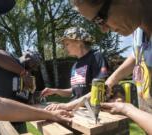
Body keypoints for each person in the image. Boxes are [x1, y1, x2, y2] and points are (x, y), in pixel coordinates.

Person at [0, 1, 72, 135]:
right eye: (32, 60)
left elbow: (1, 104)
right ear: (25, 55)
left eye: (35, 64)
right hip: (2, 121)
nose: (33, 65)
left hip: (17, 117)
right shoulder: (11, 59)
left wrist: (35, 98)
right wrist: (22, 72)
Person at [60, 0, 152, 134]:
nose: (104, 29)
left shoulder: (95, 57)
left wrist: (127, 109)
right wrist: (110, 81)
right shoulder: (139, 33)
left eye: (100, 18)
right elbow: (135, 56)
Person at [42, 27, 108, 110]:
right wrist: (55, 91)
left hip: (92, 110)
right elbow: (74, 91)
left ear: (78, 42)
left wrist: (67, 106)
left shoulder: (96, 57)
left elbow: (99, 89)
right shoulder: (75, 65)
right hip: (77, 109)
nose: (64, 48)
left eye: (67, 44)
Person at [0, 49, 42, 133]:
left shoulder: (29, 75)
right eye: (33, 63)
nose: (33, 68)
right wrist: (23, 73)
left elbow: (27, 100)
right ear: (27, 56)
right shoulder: (11, 60)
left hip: (19, 121)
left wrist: (31, 95)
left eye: (35, 66)